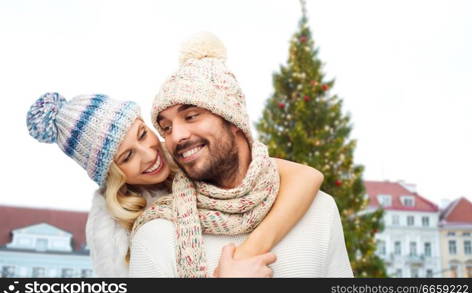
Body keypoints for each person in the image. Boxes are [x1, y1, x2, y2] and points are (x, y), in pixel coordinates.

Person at [26, 92, 325, 277]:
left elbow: (307, 176)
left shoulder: (189, 155)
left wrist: (248, 252)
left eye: (143, 134)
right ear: (111, 174)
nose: (150, 155)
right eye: (128, 156)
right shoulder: (115, 234)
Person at [129, 32, 353, 277]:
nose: (176, 136)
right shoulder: (156, 233)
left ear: (233, 120)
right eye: (166, 128)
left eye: (191, 116)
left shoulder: (319, 210)